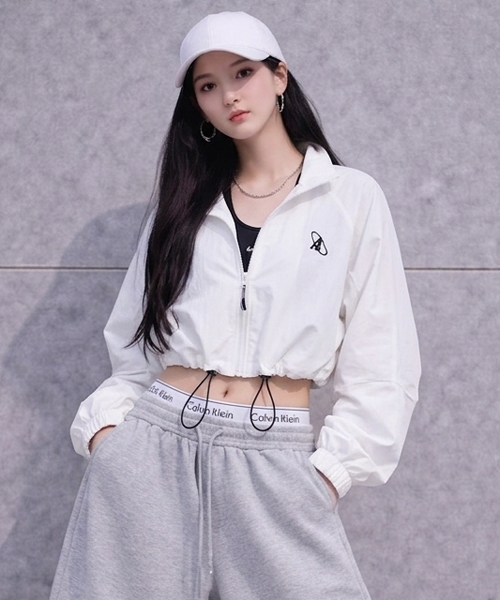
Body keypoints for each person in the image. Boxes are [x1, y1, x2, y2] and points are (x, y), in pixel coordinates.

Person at [50, 11, 420, 600]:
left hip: (275, 460)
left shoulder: (349, 198)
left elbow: (383, 360)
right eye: (208, 85)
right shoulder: (182, 204)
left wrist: (330, 475)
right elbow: (134, 341)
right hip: (153, 452)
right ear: (197, 105)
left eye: (242, 73)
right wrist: (110, 441)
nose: (228, 96)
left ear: (280, 77)